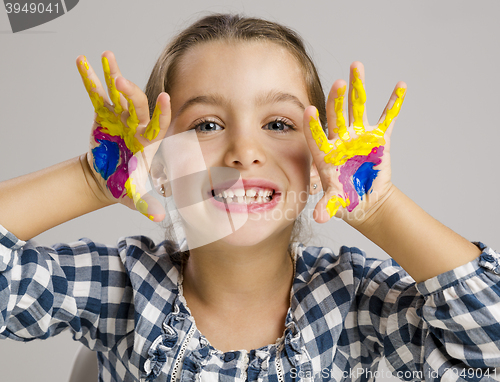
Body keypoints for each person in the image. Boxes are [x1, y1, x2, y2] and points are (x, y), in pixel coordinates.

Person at [1, 13, 499, 382]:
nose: (244, 152)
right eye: (208, 125)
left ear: (319, 158)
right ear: (159, 161)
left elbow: (489, 346)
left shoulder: (356, 299)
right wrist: (91, 177)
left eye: (279, 124)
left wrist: (378, 207)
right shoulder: (122, 287)